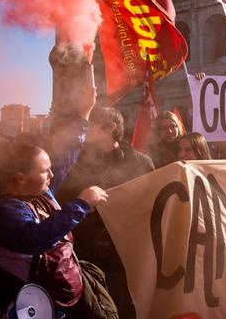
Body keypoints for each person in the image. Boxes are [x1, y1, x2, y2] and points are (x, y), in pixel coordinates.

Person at [0, 143, 114, 318]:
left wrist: (83, 117)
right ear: (21, 178)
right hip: (40, 305)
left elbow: (66, 160)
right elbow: (35, 239)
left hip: (70, 292)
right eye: (45, 170)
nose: (52, 174)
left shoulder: (39, 193)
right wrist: (81, 204)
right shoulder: (2, 213)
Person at [58, 105, 154, 319]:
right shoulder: (75, 163)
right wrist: (82, 202)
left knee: (123, 307)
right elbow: (62, 202)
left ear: (110, 127)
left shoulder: (141, 163)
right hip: (84, 255)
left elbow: (151, 207)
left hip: (123, 257)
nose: (83, 129)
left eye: (90, 124)